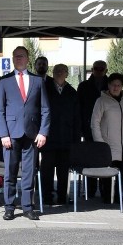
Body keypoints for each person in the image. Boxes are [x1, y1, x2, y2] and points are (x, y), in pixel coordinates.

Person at [0, 46, 50, 220]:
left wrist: (43, 132)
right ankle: (9, 207)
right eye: (15, 56)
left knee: (29, 172)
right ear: (12, 59)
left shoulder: (38, 81)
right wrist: (3, 134)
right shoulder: (4, 81)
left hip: (32, 134)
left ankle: (28, 207)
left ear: (28, 59)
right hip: (11, 135)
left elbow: (46, 109)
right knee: (10, 172)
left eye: (22, 56)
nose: (18, 59)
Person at [91, 73, 123, 203]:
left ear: (122, 86)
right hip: (107, 143)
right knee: (107, 171)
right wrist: (99, 142)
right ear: (108, 85)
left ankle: (119, 196)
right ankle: (107, 196)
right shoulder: (101, 101)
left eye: (118, 85)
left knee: (122, 170)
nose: (116, 87)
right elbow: (94, 122)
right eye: (113, 85)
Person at [40, 63, 80, 206]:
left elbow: (77, 117)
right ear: (53, 72)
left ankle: (63, 197)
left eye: (63, 71)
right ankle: (47, 197)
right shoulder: (45, 89)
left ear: (67, 74)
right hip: (48, 137)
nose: (59, 73)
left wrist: (76, 139)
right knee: (47, 170)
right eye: (57, 71)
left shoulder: (71, 91)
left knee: (63, 171)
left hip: (66, 137)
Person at [77, 60, 108, 141]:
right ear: (92, 69)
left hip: (107, 124)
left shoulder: (111, 86)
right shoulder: (83, 86)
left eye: (101, 69)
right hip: (88, 124)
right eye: (96, 68)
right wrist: (80, 127)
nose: (98, 71)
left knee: (106, 151)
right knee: (90, 151)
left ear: (106, 71)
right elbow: (78, 107)